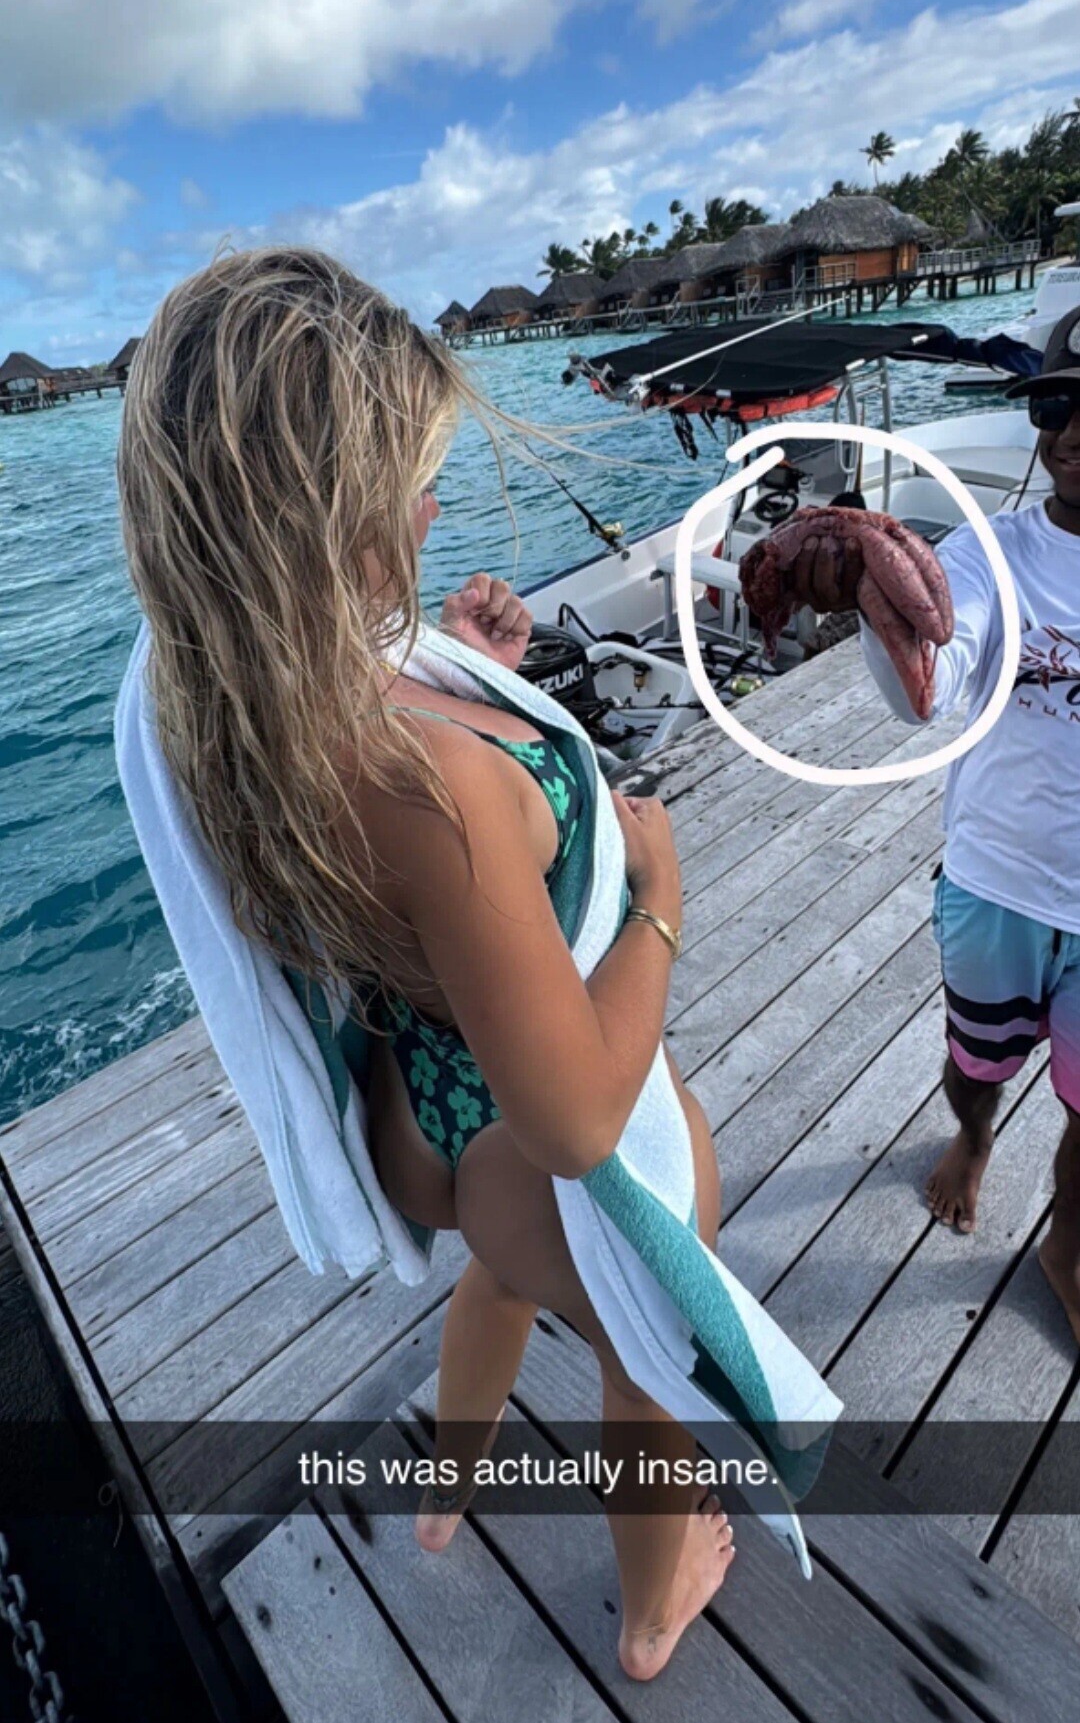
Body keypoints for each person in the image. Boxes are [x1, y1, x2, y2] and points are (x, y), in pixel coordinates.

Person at [116, 248, 734, 1682]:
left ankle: (451, 1482)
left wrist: (459, 657)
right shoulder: (424, 786)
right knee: (653, 1348)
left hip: (432, 1106)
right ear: (331, 518)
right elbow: (577, 1124)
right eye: (413, 485)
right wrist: (657, 901)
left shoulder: (244, 701)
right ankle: (654, 1609)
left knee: (504, 1274)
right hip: (527, 1128)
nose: (432, 509)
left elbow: (403, 859)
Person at [790, 304, 1080, 1343]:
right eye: (1057, 405)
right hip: (998, 880)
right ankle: (974, 1137)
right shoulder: (991, 554)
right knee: (976, 1062)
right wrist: (876, 605)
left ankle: (1068, 1243)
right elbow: (932, 687)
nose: (1074, 431)